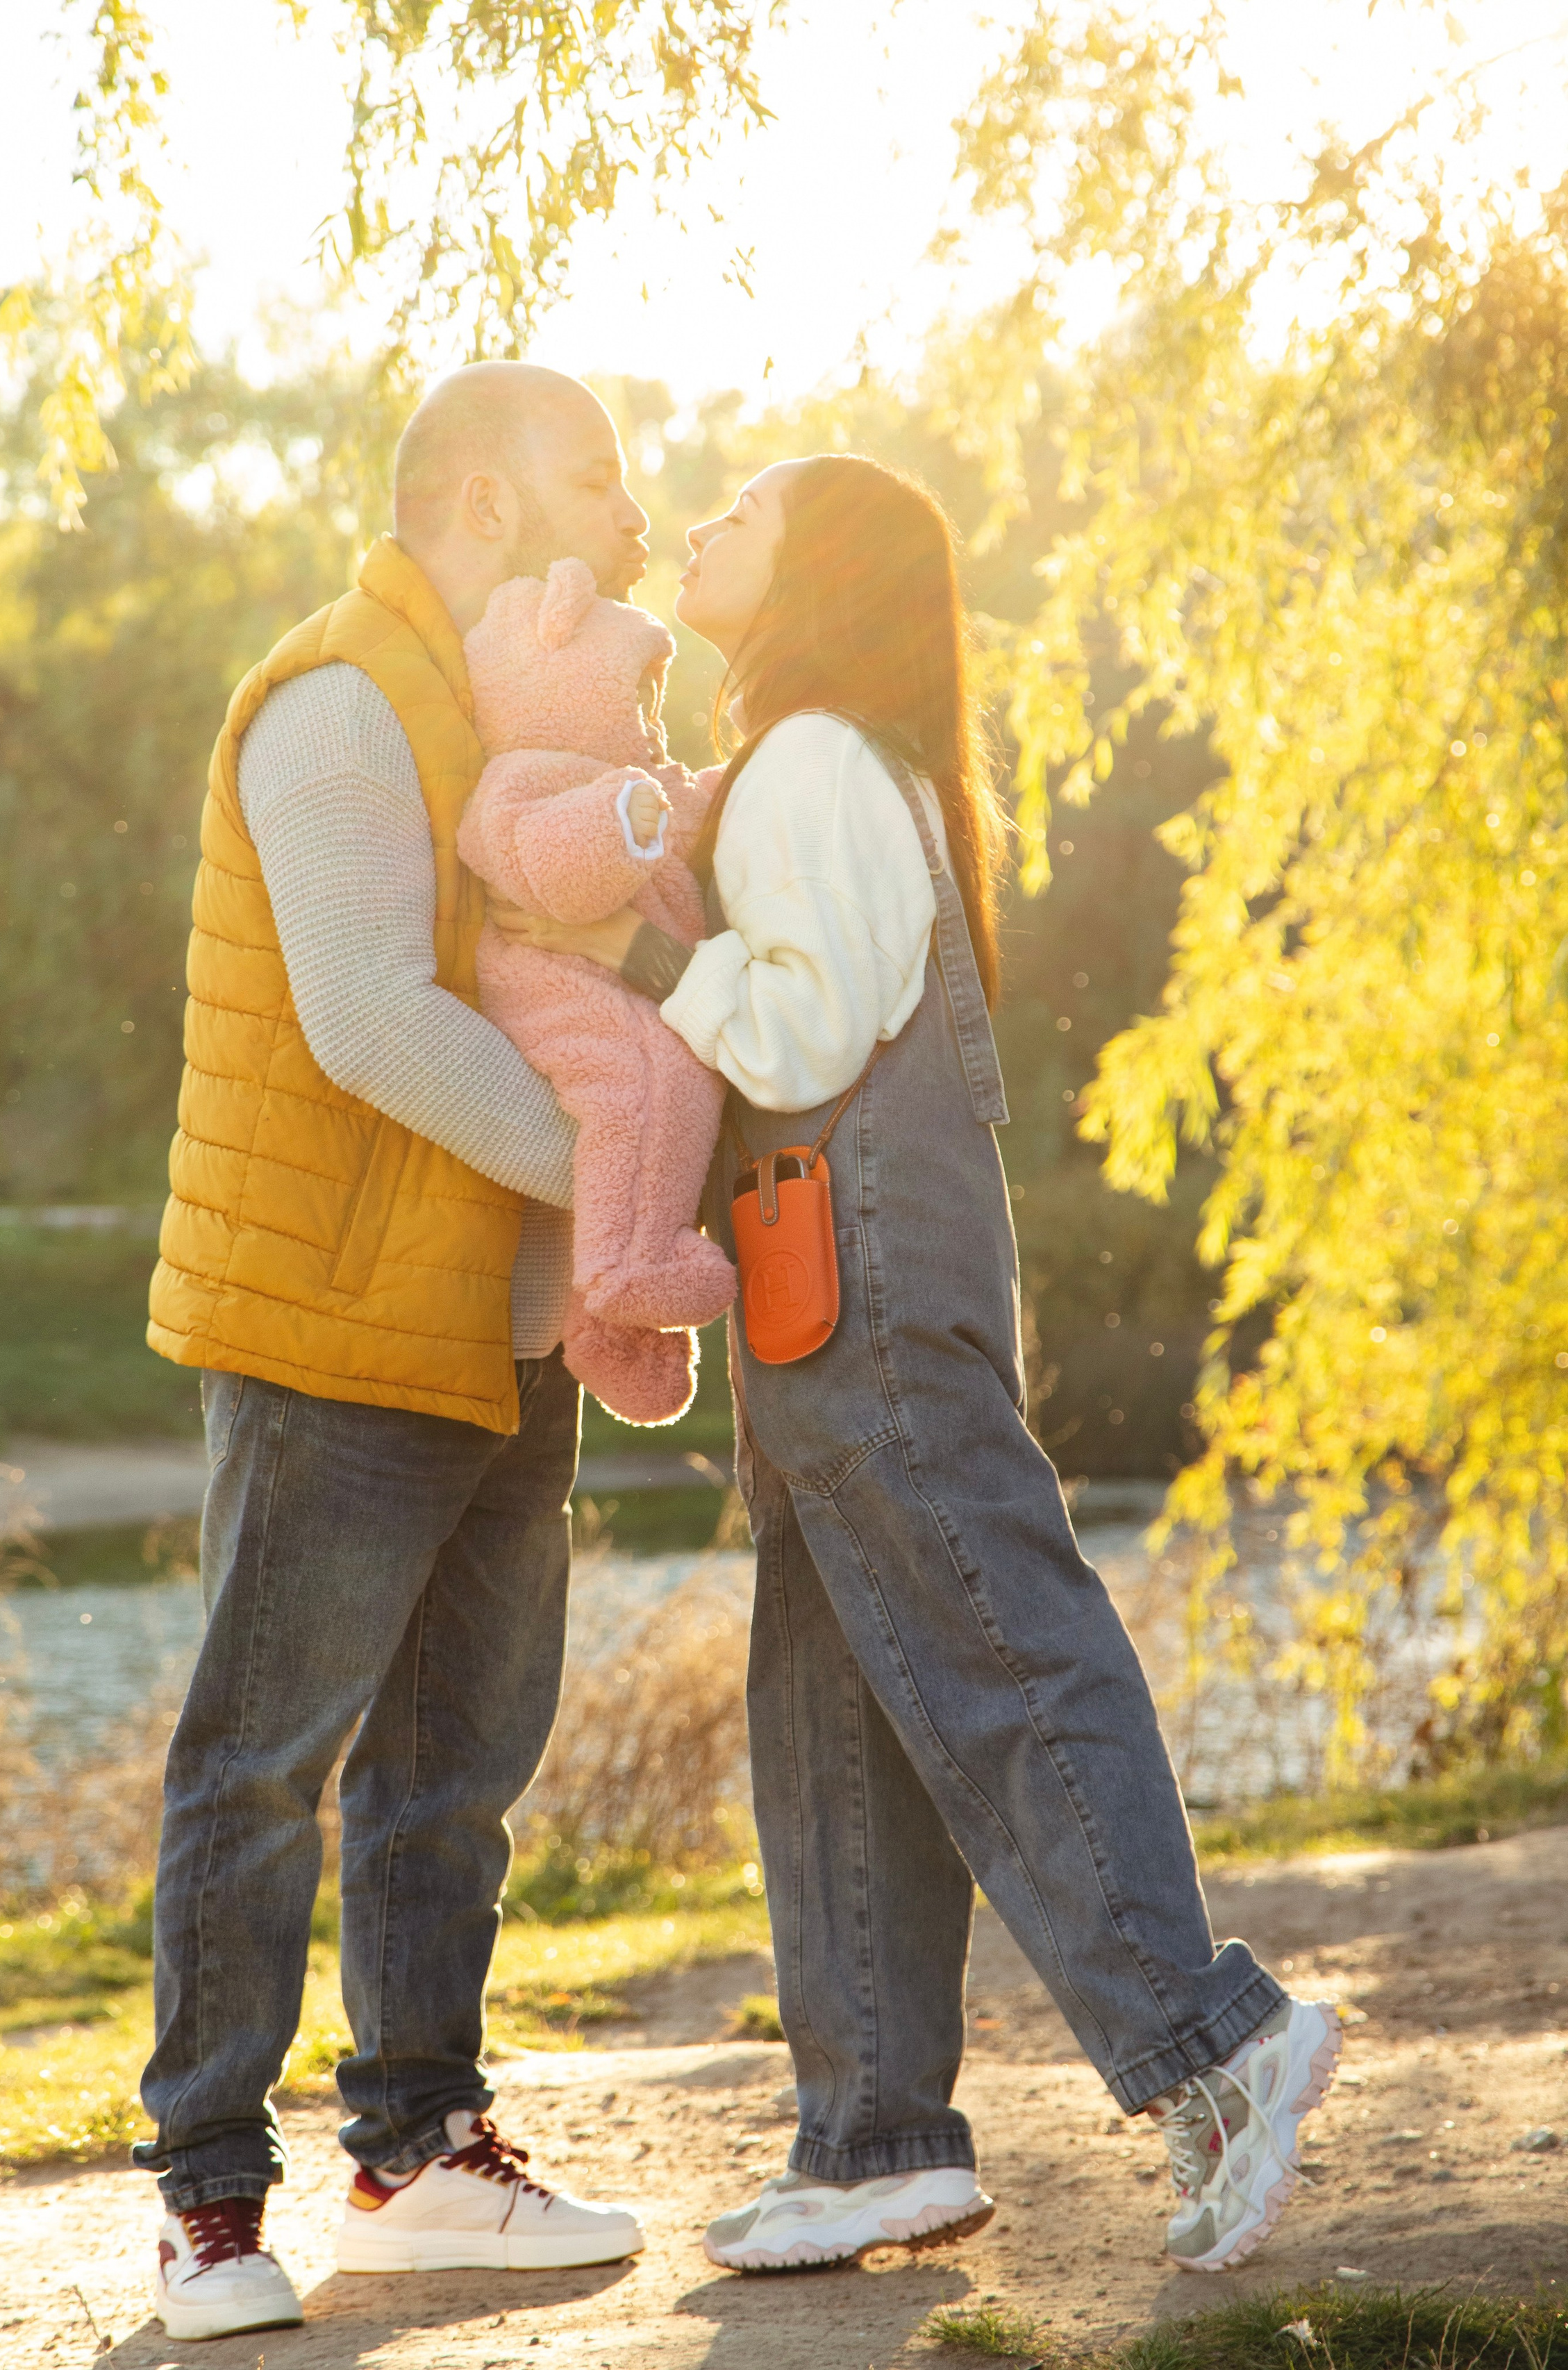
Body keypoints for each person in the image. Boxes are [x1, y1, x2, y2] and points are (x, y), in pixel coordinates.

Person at [489, 452, 1343, 2280]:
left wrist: (649, 983)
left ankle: (1220, 2042)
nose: (701, 524)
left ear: (826, 570)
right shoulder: (821, 759)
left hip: (857, 1281)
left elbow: (809, 1020)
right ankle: (875, 2139)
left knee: (998, 1655)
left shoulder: (812, 758)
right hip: (836, 1289)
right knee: (839, 1711)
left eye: (744, 512)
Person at [137, 363, 651, 2344]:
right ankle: (207, 2201)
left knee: (455, 1769)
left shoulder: (505, 709)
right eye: (593, 477)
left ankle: (420, 2152)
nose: (631, 512)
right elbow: (368, 1018)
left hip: (503, 1328)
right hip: (339, 1333)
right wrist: (618, 1184)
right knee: (262, 1764)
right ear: (486, 503)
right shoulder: (342, 701)